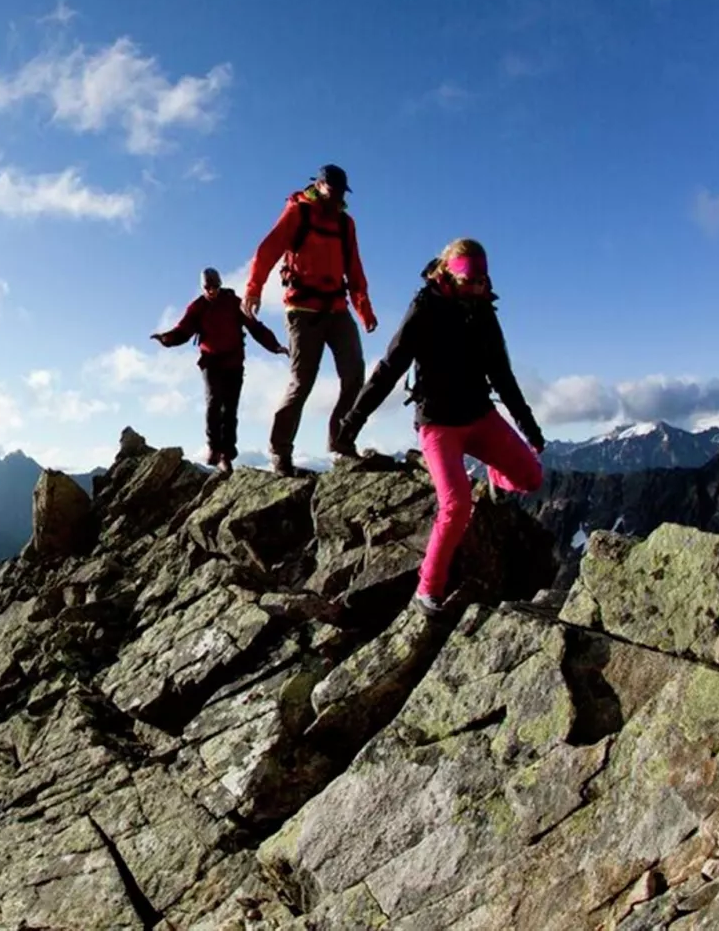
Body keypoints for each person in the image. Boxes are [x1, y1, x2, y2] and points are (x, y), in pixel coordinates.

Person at [333, 238, 546, 616]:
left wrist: (528, 427)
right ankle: (427, 589)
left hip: (480, 416)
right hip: (438, 425)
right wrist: (352, 422)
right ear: (448, 272)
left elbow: (502, 374)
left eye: (483, 278)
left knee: (531, 477)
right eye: (470, 278)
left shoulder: (483, 311)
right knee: (456, 504)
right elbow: (389, 369)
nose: (478, 285)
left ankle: (496, 478)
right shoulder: (425, 308)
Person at [242, 164, 378, 477]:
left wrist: (364, 308)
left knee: (355, 375)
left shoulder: (346, 224)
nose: (337, 199)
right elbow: (267, 250)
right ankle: (280, 453)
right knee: (302, 381)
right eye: (333, 191)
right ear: (319, 185)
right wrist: (253, 289)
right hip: (302, 309)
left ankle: (341, 445)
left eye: (342, 194)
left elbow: (354, 268)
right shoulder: (298, 213)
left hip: (337, 309)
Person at [153, 267, 289, 473]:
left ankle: (226, 455)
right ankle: (214, 449)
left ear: (220, 284)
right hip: (211, 363)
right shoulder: (197, 308)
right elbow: (183, 331)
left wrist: (275, 346)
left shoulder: (234, 304)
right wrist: (167, 339)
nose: (212, 290)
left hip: (234, 362)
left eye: (215, 286)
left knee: (230, 409)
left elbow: (255, 327)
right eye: (208, 287)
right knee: (214, 402)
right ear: (203, 287)